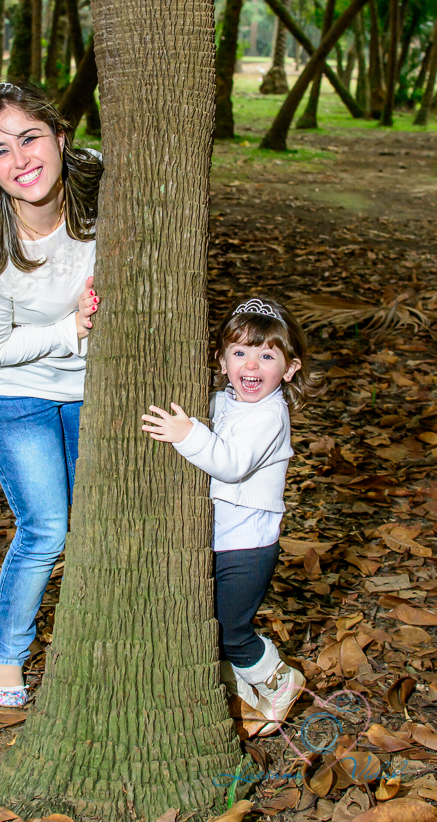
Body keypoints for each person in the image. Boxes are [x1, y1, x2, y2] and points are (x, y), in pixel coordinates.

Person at [0, 81, 103, 707]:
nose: (20, 160)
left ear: (61, 139)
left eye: (30, 138)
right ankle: (6, 655)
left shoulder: (104, 197)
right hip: (13, 396)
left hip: (90, 391)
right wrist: (68, 330)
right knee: (46, 528)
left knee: (95, 523)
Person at [141, 297, 322, 735]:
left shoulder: (269, 415)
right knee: (213, 623)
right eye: (239, 352)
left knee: (231, 629)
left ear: (290, 369)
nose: (251, 364)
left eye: (266, 355)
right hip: (221, 539)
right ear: (222, 361)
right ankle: (246, 694)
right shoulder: (223, 400)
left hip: (248, 546)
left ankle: (279, 682)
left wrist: (188, 435)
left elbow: (231, 463)